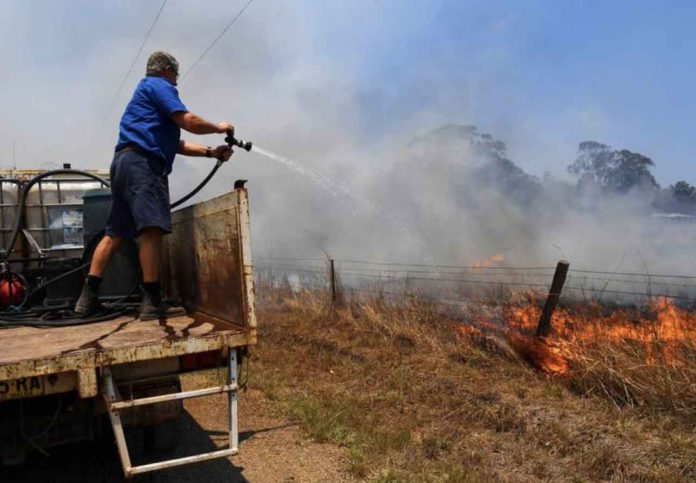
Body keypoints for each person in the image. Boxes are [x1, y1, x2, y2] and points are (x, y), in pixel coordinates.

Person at [75, 51, 234, 320]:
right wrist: (219, 127)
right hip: (144, 167)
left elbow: (177, 144)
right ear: (166, 71)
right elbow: (188, 121)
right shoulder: (158, 86)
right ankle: (151, 302)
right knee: (151, 231)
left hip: (124, 163)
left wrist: (211, 153)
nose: (176, 81)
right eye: (175, 75)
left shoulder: (143, 99)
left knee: (114, 233)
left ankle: (86, 299)